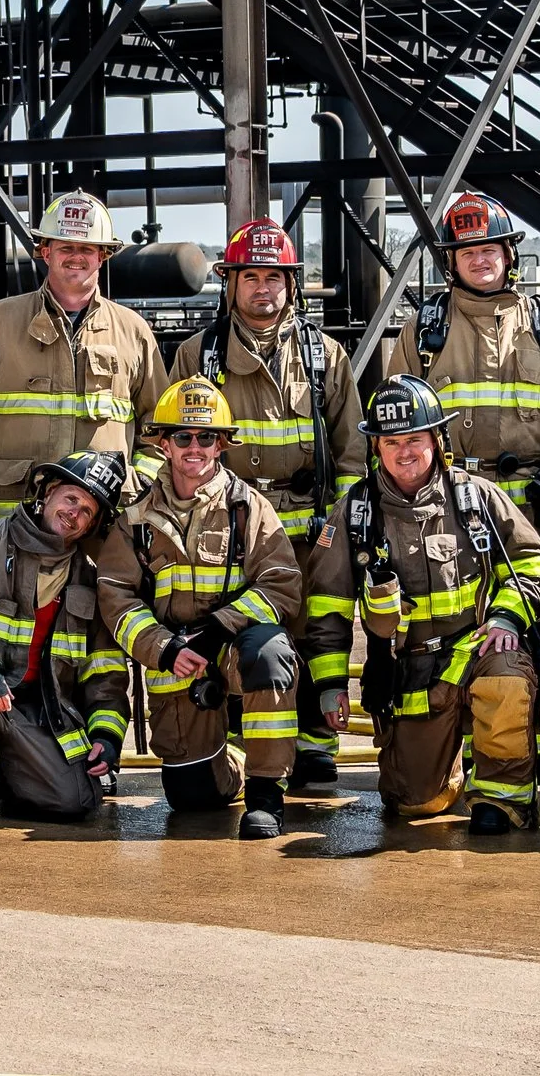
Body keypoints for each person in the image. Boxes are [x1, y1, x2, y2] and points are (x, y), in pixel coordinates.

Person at [385, 191, 540, 784]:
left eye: (490, 247)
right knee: (469, 622)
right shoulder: (423, 329)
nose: (480, 259)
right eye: (467, 250)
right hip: (450, 503)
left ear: (509, 253)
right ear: (452, 260)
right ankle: (475, 744)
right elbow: (398, 416)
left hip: (533, 500)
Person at [302, 374, 540, 835]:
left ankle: (501, 798)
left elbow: (533, 562)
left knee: (507, 674)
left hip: (476, 651)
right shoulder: (354, 513)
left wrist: (504, 617)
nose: (405, 452)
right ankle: (447, 766)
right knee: (418, 804)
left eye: (415, 438)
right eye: (392, 441)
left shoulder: (476, 498)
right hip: (410, 674)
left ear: (437, 439)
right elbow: (326, 607)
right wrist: (330, 684)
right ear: (375, 447)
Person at [167, 218, 365, 786]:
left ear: (291, 285)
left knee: (315, 629)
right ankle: (238, 745)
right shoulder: (196, 356)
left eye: (274, 277)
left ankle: (314, 739)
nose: (263, 289)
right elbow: (177, 443)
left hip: (311, 529)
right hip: (228, 530)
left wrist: (340, 527)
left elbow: (352, 450)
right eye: (250, 276)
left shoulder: (326, 356)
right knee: (233, 628)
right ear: (231, 284)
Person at [94, 378, 302, 839]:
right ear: (164, 444)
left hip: (229, 647)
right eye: (183, 436)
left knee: (270, 653)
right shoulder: (135, 519)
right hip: (177, 662)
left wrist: (219, 629)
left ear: (222, 444)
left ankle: (266, 792)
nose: (195, 447)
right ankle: (236, 757)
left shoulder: (249, 508)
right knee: (193, 800)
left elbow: (282, 584)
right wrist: (164, 649)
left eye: (207, 437)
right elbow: (115, 597)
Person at [0, 450, 133, 821]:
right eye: (71, 499)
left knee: (75, 802)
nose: (74, 514)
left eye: (87, 512)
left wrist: (107, 736)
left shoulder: (88, 576)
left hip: (37, 708)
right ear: (46, 492)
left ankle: (6, 761)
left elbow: (105, 671)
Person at [0, 191, 168, 522]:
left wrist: (142, 480)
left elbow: (160, 420)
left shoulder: (132, 331)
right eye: (66, 247)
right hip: (15, 513)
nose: (76, 256)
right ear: (46, 252)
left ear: (103, 255)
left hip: (105, 515)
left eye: (87, 248)